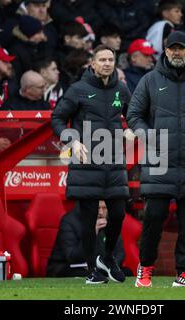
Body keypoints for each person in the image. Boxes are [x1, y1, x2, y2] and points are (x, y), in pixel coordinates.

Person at [127, 31, 185, 287]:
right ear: (165, 51)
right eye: (172, 49)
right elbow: (134, 115)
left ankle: (184, 274)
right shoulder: (149, 81)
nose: (177, 53)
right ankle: (145, 269)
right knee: (153, 220)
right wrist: (148, 136)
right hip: (159, 161)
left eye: (181, 48)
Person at [52, 45, 131, 285]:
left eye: (110, 59)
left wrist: (133, 130)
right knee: (87, 219)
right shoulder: (78, 89)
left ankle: (106, 258)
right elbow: (57, 117)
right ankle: (91, 271)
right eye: (102, 60)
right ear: (93, 64)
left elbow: (136, 115)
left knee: (118, 213)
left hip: (114, 162)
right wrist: (72, 140)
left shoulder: (123, 89)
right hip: (85, 160)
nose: (107, 63)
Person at [47, 200, 130, 277]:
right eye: (98, 208)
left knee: (127, 272)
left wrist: (110, 266)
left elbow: (120, 253)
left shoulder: (110, 221)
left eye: (104, 208)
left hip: (100, 267)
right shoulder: (69, 221)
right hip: (69, 267)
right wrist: (91, 233)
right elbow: (72, 256)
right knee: (88, 273)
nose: (101, 212)